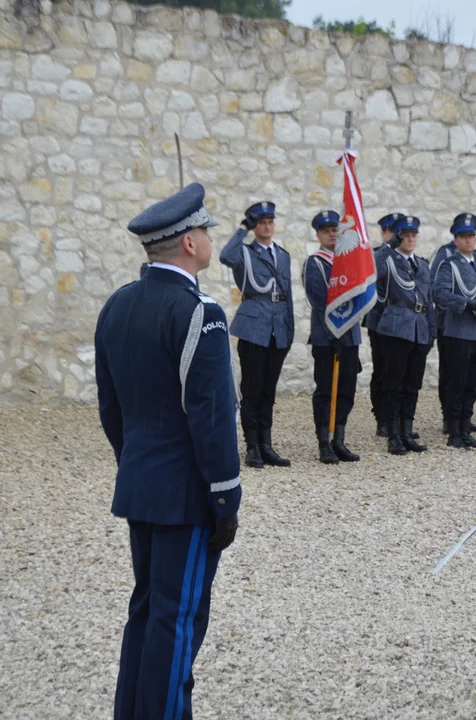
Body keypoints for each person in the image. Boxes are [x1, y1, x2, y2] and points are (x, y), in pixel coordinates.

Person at [96, 183, 241, 720]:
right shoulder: (201, 312)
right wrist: (225, 499)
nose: (209, 238)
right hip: (186, 496)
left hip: (141, 485)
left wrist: (136, 463)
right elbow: (212, 421)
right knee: (177, 619)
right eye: (204, 229)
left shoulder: (118, 305)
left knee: (148, 612)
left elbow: (112, 408)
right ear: (187, 244)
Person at [219, 201, 294, 468]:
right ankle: (251, 446)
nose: (267, 226)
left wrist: (290, 331)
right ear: (254, 226)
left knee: (268, 391)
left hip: (277, 329)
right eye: (261, 222)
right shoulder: (244, 253)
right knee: (251, 388)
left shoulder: (283, 255)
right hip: (253, 328)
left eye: (270, 222)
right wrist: (242, 229)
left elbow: (288, 297)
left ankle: (266, 444)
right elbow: (225, 256)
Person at [303, 210, 362, 464]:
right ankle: (324, 442)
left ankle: (339, 439)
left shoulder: (349, 261)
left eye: (335, 229)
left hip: (349, 335)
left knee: (347, 388)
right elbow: (319, 300)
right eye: (326, 230)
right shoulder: (315, 263)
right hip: (327, 336)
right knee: (326, 389)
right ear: (318, 234)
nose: (332, 233)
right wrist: (334, 330)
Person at [434, 213, 476, 449]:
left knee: (472, 382)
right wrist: (468, 304)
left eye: (471, 236)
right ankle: (455, 431)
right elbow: (440, 294)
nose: (468, 241)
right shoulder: (449, 264)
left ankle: (466, 426)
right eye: (463, 237)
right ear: (456, 240)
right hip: (458, 331)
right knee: (456, 382)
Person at [375, 216, 432, 454]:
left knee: (412, 384)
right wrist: (389, 245)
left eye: (413, 235)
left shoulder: (422, 263)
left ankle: (407, 431)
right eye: (405, 235)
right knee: (394, 383)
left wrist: (432, 331)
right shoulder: (387, 259)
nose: (410, 239)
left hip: (420, 327)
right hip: (396, 327)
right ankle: (393, 434)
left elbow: (429, 299)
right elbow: (372, 266)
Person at [367, 213, 405, 437]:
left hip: (403, 322)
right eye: (393, 232)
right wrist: (389, 246)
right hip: (380, 320)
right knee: (383, 370)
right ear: (384, 233)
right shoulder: (379, 254)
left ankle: (399, 418)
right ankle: (382, 417)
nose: (399, 237)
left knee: (402, 372)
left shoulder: (405, 258)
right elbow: (371, 269)